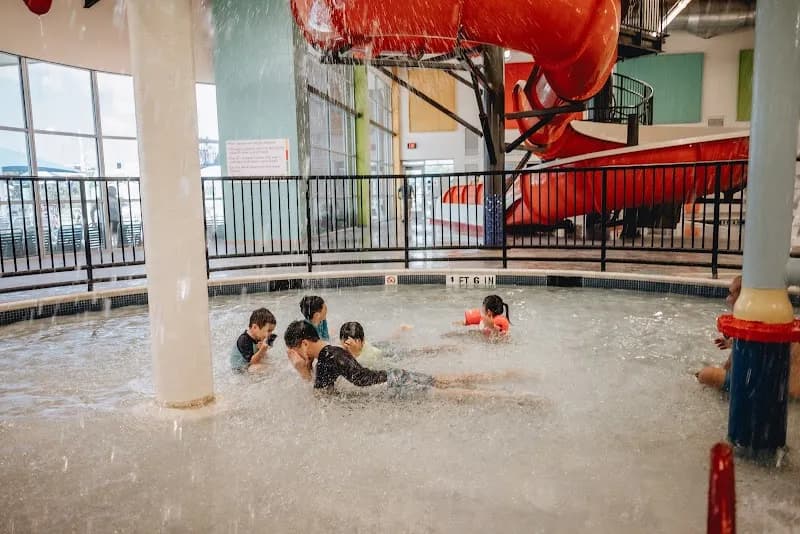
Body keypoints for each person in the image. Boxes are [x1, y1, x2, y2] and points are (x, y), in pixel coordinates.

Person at [284, 320, 539, 403]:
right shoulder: (330, 353)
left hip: (392, 385)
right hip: (393, 376)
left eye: (294, 350)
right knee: (448, 382)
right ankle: (511, 374)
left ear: (304, 344)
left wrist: (301, 371)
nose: (295, 356)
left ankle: (515, 397)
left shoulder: (328, 358)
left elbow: (321, 399)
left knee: (449, 394)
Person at [696, 276, 800, 398]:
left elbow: (793, 389)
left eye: (731, 294)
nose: (727, 299)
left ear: (743, 299)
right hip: (764, 385)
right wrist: (732, 343)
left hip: (765, 392)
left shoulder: (779, 333)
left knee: (706, 374)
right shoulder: (765, 321)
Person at [230, 308, 277, 373]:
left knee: (269, 360)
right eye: (269, 331)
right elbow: (252, 362)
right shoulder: (244, 340)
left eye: (272, 331)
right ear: (255, 327)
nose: (270, 334)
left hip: (249, 364)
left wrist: (263, 349)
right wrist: (262, 350)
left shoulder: (258, 336)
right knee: (256, 368)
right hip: (240, 369)